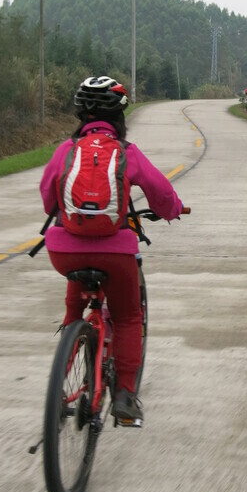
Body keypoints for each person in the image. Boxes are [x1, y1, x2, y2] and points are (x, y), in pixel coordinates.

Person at [39, 76, 184, 425]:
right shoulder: (126, 153)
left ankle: (63, 372)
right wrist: (173, 210)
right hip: (115, 254)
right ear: (120, 116)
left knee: (75, 303)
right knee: (129, 316)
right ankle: (124, 395)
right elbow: (160, 193)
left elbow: (48, 198)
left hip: (64, 252)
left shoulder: (66, 151)